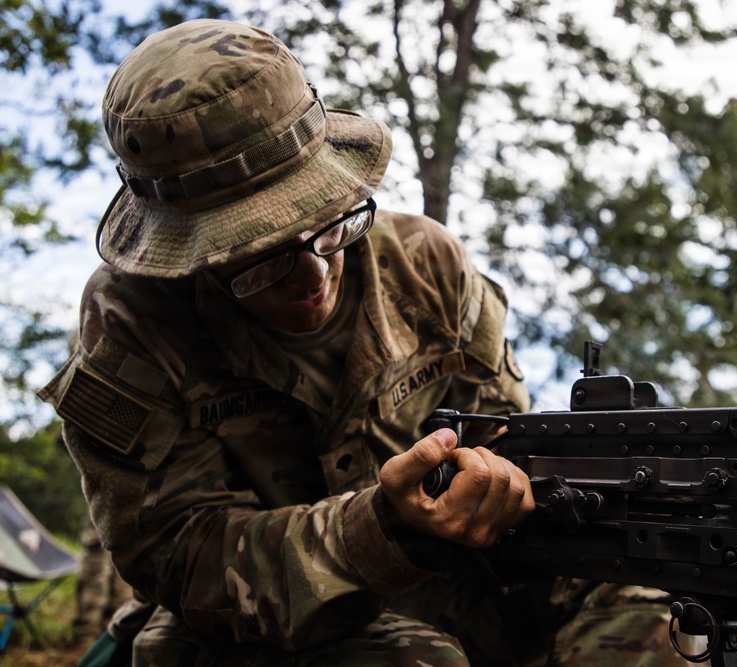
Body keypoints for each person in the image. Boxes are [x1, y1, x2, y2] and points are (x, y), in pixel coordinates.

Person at [40, 19, 680, 666]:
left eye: (329, 223)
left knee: (655, 609)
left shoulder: (429, 267)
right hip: (246, 621)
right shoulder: (131, 324)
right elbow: (178, 557)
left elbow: (507, 442)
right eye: (259, 255)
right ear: (190, 254)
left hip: (451, 581)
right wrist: (381, 528)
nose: (315, 274)